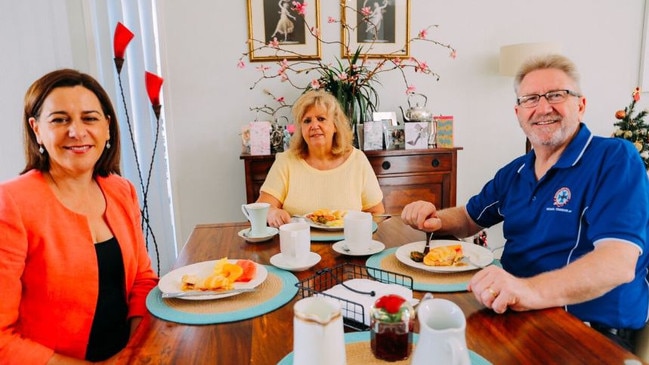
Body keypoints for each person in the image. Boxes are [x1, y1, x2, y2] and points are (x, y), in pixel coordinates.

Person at [401, 54, 648, 352]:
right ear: (518, 112)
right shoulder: (516, 171)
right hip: (513, 314)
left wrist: (527, 290)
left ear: (580, 105)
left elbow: (617, 264)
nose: (543, 108)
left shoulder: (614, 158)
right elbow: (469, 218)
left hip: (588, 332)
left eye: (557, 95)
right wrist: (434, 218)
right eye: (531, 99)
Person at [0, 69, 159, 364]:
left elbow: (142, 280)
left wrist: (133, 353)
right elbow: (2, 339)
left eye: (90, 118)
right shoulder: (11, 203)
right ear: (36, 129)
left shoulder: (121, 190)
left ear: (108, 127)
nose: (76, 131)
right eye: (60, 119)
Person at [257, 90, 385, 228]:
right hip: (298, 243)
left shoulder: (357, 160)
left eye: (321, 119)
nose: (314, 126)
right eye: (307, 121)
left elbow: (376, 213)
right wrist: (272, 212)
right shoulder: (286, 161)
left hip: (348, 245)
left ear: (335, 125)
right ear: (301, 129)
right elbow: (262, 207)